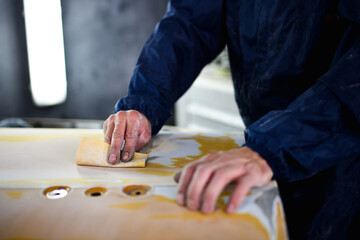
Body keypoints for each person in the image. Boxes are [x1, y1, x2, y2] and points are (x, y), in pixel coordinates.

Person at [103, 0, 360, 239]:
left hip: (340, 155)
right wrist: (144, 101)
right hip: (260, 149)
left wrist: (276, 145)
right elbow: (190, 23)